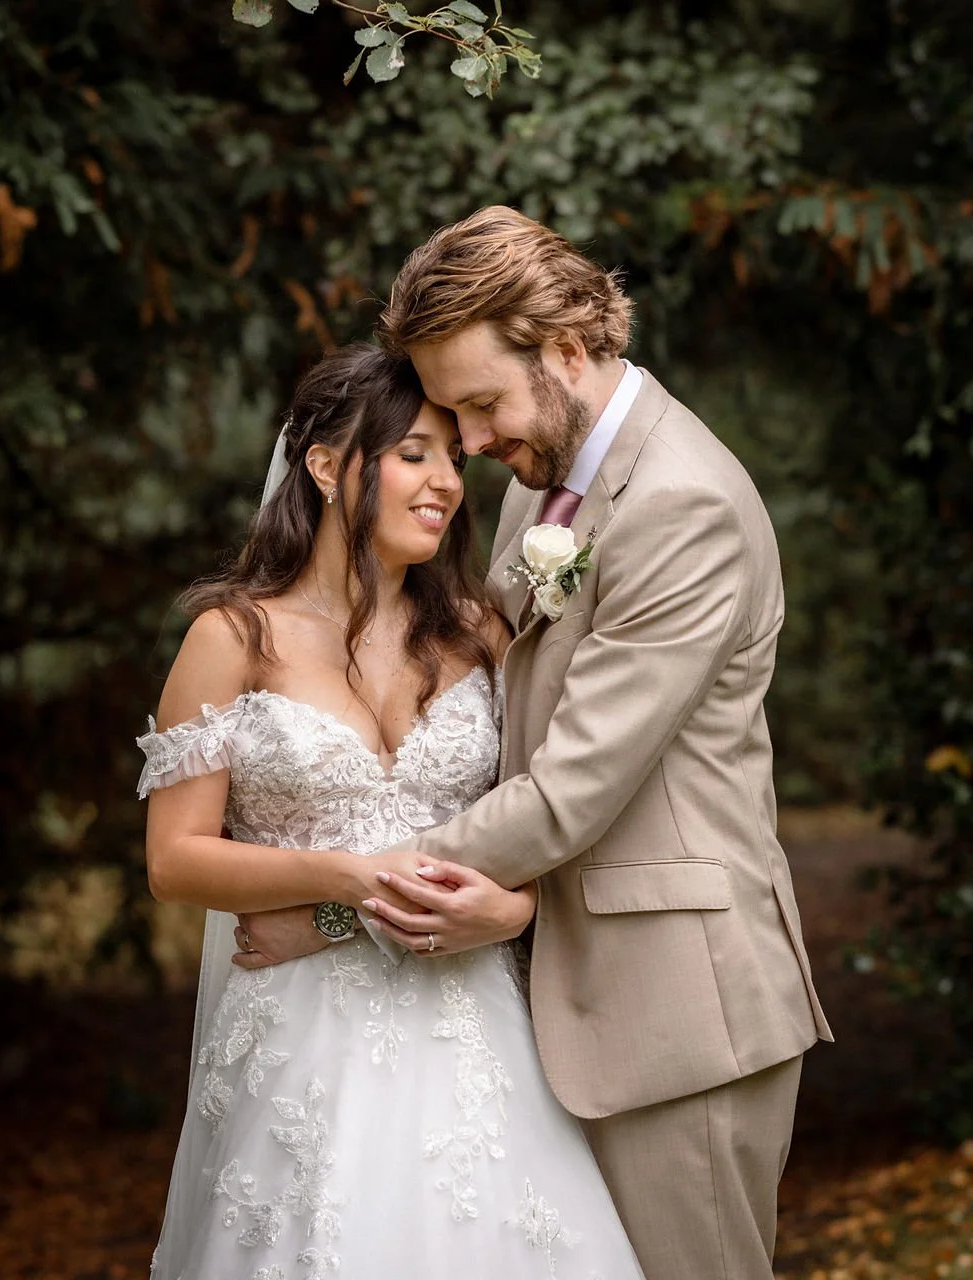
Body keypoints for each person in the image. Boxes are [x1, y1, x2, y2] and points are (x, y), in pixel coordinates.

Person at [235, 207, 834, 1280]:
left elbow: (565, 792)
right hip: (552, 995)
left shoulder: (679, 504)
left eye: (478, 405)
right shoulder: (540, 479)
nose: (467, 443)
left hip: (676, 1013)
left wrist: (333, 911)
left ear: (566, 347)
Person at [136, 342, 645, 1279]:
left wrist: (516, 909)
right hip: (297, 1039)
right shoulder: (231, 636)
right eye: (414, 452)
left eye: (455, 457)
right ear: (328, 465)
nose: (447, 481)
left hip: (477, 1025)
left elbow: (540, 822)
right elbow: (176, 861)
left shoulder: (479, 629)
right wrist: (354, 877)